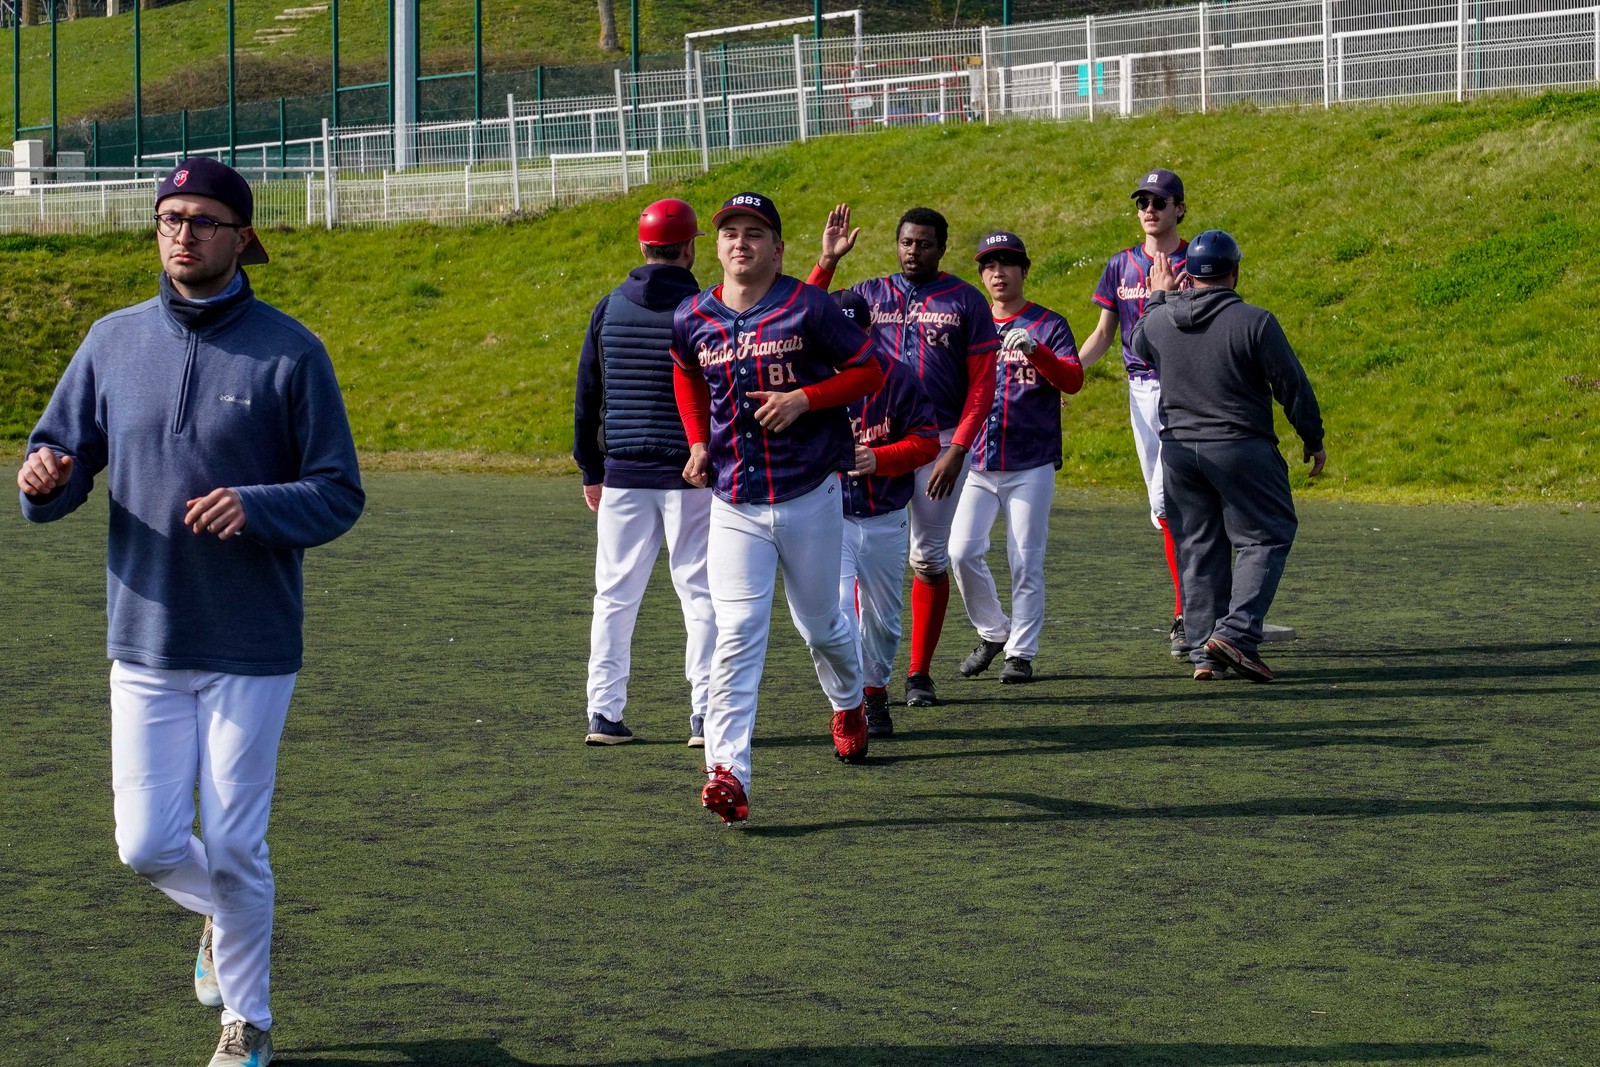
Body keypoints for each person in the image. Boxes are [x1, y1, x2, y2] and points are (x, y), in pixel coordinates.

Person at [16, 157, 364, 1067]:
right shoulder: (111, 339)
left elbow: (338, 493)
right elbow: (59, 457)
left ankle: (246, 1022)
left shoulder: (293, 352)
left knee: (239, 844)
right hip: (144, 633)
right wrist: (45, 476)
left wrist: (258, 504)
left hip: (252, 644)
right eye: (170, 217)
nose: (183, 233)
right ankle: (224, 919)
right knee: (146, 844)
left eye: (205, 219)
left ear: (243, 235)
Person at [671, 192, 886, 825]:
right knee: (736, 634)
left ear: (778, 248)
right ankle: (728, 772)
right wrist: (694, 441)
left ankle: (847, 702)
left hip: (808, 492)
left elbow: (869, 369)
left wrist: (806, 399)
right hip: (734, 500)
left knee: (820, 625)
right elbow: (684, 371)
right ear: (716, 246)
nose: (741, 242)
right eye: (731, 232)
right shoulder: (694, 314)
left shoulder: (809, 306)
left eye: (755, 233)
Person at [808, 203, 999, 708]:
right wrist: (827, 262)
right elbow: (799, 312)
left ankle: (918, 672)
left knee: (930, 556)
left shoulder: (966, 301)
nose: (914, 251)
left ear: (942, 248)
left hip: (938, 440)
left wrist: (958, 447)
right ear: (896, 243)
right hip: (878, 436)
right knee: (868, 548)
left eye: (925, 243)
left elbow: (984, 383)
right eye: (906, 242)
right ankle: (869, 679)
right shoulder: (871, 292)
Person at [1129, 230, 1326, 683]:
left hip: (1178, 453)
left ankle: (1204, 652)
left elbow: (1139, 344)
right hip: (1241, 448)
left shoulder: (1158, 321)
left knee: (1198, 547)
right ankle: (1235, 635)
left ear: (1186, 275)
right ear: (1235, 271)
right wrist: (1312, 438)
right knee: (1265, 536)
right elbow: (1291, 385)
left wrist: (1158, 296)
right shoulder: (1255, 321)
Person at [573, 197, 717, 748]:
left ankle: (603, 714)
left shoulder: (608, 307)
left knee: (613, 596)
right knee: (700, 594)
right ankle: (703, 714)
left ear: (642, 246)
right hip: (691, 472)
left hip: (624, 471)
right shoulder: (708, 307)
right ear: (689, 247)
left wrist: (592, 469)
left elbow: (588, 397)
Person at [950, 232, 1084, 684]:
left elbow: (1073, 380)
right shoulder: (970, 324)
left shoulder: (1049, 323)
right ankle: (994, 631)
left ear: (1025, 271)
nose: (998, 273)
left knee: (1025, 558)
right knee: (961, 552)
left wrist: (1036, 350)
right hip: (977, 461)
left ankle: (1020, 653)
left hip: (1031, 462)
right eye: (990, 265)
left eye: (1008, 264)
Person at [1076, 169, 1192, 657]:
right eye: (1143, 201)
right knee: (1163, 508)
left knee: (1172, 502)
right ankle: (1200, 601)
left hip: (1184, 387)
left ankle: (1186, 612)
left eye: (1160, 201)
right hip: (1138, 390)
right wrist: (1069, 376)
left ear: (1179, 209)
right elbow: (1104, 333)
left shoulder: (1198, 257)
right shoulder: (1120, 264)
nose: (1150, 209)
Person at [833, 289, 941, 739]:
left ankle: (874, 692)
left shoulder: (897, 378)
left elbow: (928, 441)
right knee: (833, 613)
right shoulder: (808, 377)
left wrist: (880, 458)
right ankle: (847, 701)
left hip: (884, 515)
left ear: (868, 332)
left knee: (882, 619)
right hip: (828, 517)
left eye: (851, 332)